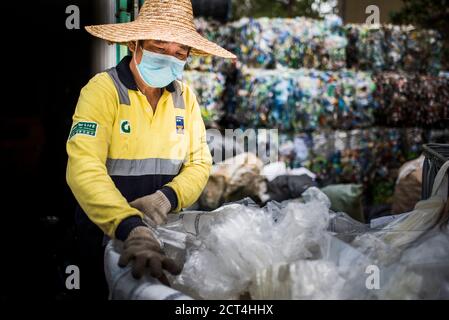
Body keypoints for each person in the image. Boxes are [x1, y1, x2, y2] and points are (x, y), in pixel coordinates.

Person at [66, 0, 236, 298]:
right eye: (159, 44)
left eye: (179, 51)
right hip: (102, 237)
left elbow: (199, 163)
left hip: (164, 235)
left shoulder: (185, 98)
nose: (169, 55)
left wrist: (165, 199)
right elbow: (83, 167)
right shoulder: (103, 90)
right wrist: (129, 226)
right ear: (136, 43)